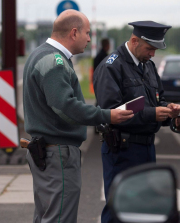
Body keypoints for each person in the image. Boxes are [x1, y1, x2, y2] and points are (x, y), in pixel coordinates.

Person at [22, 9, 134, 223]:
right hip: (58, 155)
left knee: (46, 215)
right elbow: (66, 108)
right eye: (87, 33)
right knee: (59, 217)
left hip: (47, 151)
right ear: (74, 33)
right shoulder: (54, 61)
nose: (90, 39)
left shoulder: (40, 54)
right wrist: (107, 115)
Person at [93, 21, 180, 223]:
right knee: (119, 208)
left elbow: (159, 98)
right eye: (150, 48)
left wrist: (169, 110)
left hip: (146, 147)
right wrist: (152, 113)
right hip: (123, 150)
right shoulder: (111, 67)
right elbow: (113, 111)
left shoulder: (148, 66)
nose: (153, 54)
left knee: (144, 209)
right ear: (134, 41)